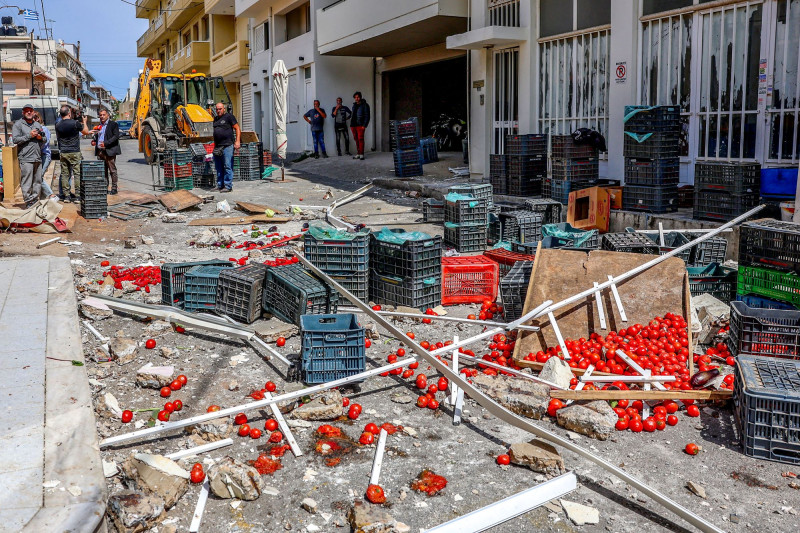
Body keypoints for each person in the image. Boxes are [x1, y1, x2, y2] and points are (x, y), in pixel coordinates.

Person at [11, 103, 44, 207]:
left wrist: (40, 138)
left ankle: (34, 199)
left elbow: (44, 139)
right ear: (23, 112)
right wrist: (29, 136)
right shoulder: (18, 124)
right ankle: (28, 201)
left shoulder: (37, 125)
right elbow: (15, 140)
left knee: (37, 180)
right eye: (26, 111)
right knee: (27, 181)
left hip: (37, 156)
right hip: (26, 158)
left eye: (30, 110)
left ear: (33, 112)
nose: (29, 112)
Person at [55, 106, 89, 202]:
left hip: (63, 152)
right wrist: (85, 122)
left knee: (65, 174)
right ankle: (78, 196)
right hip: (74, 151)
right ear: (69, 113)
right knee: (77, 174)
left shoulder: (57, 125)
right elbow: (85, 132)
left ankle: (66, 196)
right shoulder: (75, 123)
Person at [212, 102, 241, 192]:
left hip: (227, 145)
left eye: (220, 109)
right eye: (217, 109)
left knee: (227, 166)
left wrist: (237, 141)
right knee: (219, 167)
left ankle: (228, 186)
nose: (218, 110)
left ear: (224, 109)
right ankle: (220, 185)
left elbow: (237, 128)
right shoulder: (216, 119)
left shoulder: (229, 117)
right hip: (218, 146)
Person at [94, 108, 121, 195]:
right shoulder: (99, 126)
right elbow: (99, 136)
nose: (102, 116)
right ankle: (105, 187)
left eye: (103, 115)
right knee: (103, 170)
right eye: (100, 115)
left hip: (109, 150)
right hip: (100, 151)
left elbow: (116, 136)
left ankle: (114, 188)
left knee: (112, 170)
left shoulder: (113, 124)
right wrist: (94, 141)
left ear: (108, 115)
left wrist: (106, 143)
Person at [33, 112, 57, 199]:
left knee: (39, 177)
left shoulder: (44, 129)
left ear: (39, 118)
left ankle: (51, 195)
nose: (34, 119)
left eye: (36, 117)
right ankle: (44, 197)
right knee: (37, 177)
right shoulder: (33, 130)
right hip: (38, 156)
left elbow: (44, 142)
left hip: (44, 155)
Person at [350, 91, 370, 160]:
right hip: (353, 125)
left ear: (360, 97)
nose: (356, 98)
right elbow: (353, 114)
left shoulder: (365, 105)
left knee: (360, 139)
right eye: (355, 97)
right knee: (356, 139)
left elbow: (367, 116)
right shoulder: (354, 105)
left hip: (360, 125)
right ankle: (358, 153)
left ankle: (361, 154)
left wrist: (364, 125)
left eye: (358, 97)